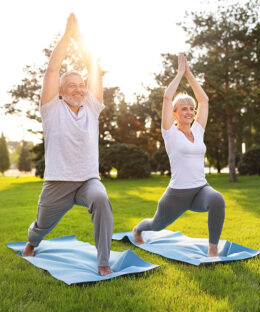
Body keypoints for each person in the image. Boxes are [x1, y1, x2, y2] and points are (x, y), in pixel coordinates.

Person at [22, 13, 113, 276]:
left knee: (101, 199)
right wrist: (66, 37)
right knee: (42, 225)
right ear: (60, 91)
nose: (78, 89)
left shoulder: (92, 108)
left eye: (81, 85)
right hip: (58, 182)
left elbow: (95, 69)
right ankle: (31, 242)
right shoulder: (51, 108)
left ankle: (103, 262)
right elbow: (52, 70)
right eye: (71, 85)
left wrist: (81, 39)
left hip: (88, 180)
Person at [132, 54, 225, 257]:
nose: (190, 112)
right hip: (177, 195)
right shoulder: (170, 133)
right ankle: (137, 229)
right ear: (174, 113)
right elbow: (166, 98)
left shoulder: (198, 131)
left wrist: (189, 74)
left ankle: (212, 251)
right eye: (184, 108)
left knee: (217, 199)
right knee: (156, 225)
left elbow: (204, 99)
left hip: (200, 190)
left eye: (192, 109)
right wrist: (179, 74)